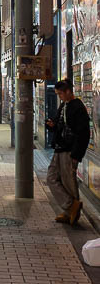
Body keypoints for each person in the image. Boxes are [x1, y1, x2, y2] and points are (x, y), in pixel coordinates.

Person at [46, 79, 90, 225]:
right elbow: (59, 124)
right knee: (52, 177)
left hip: (69, 150)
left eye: (60, 94)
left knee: (69, 182)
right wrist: (51, 125)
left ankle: (71, 212)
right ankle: (71, 207)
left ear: (68, 92)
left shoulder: (77, 107)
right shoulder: (64, 105)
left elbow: (83, 133)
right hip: (60, 148)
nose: (59, 97)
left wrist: (76, 155)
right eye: (58, 94)